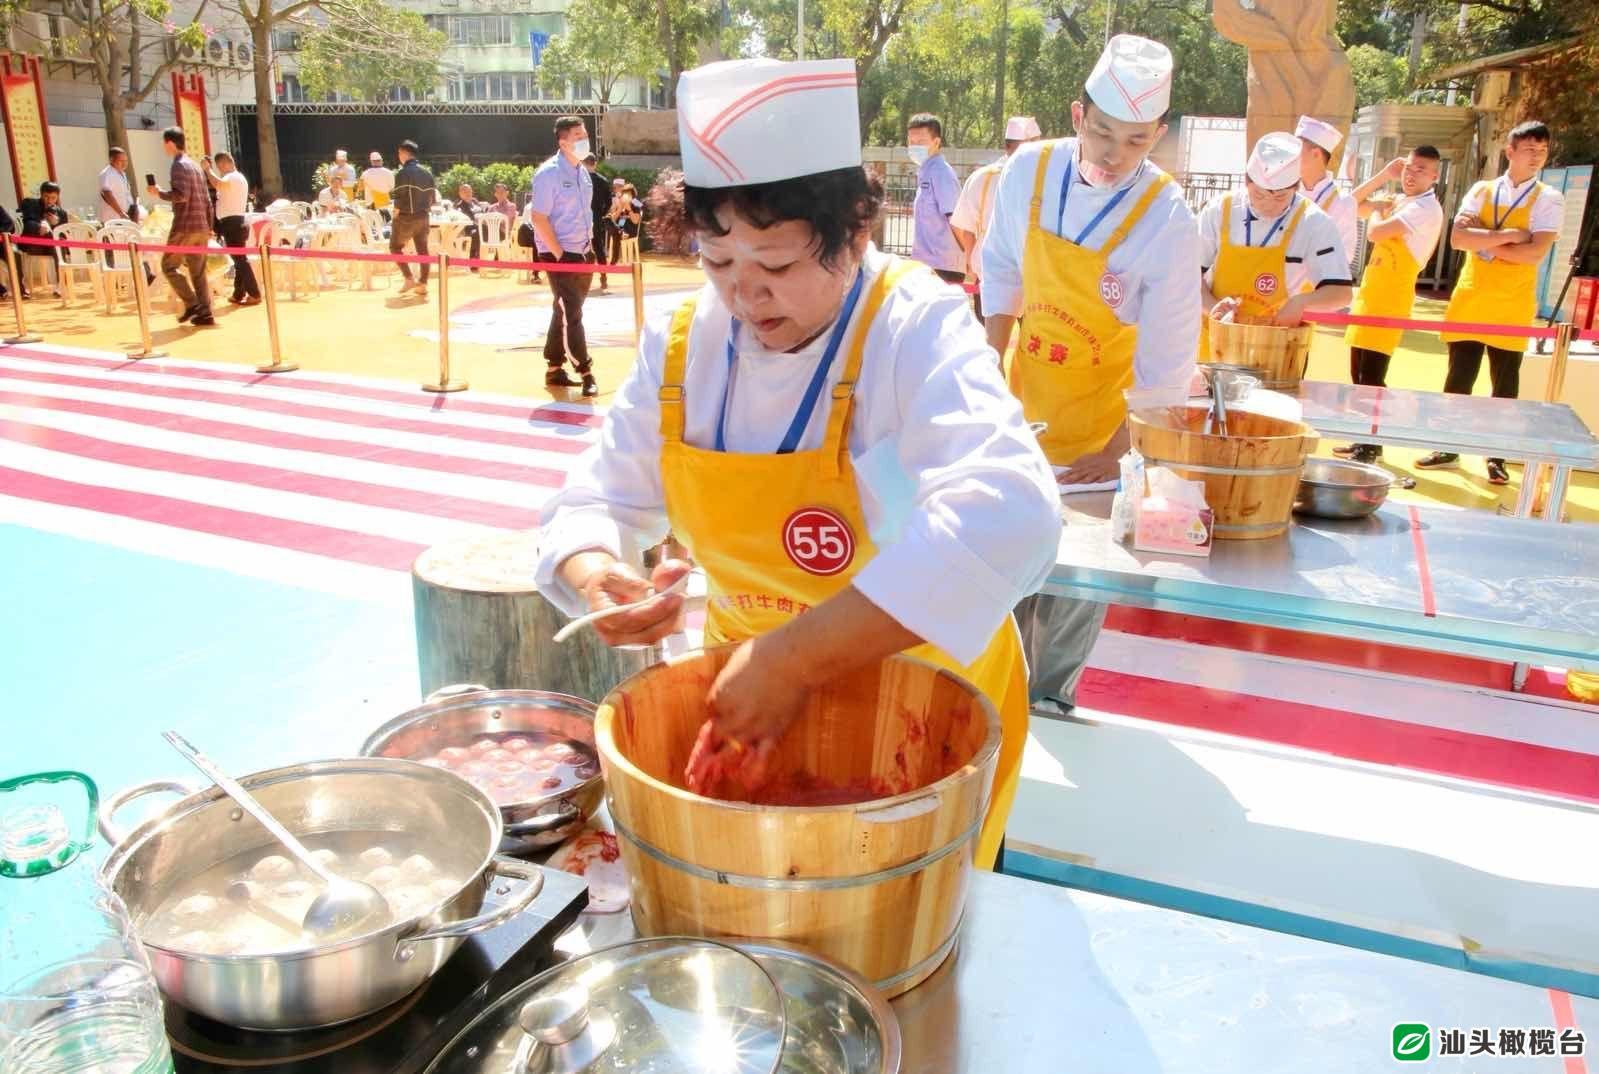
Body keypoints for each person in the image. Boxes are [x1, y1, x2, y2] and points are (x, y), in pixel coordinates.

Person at [533, 57, 1059, 871]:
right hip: (749, 699)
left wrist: (794, 658)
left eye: (775, 267)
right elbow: (594, 498)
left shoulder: (911, 326)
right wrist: (599, 575)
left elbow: (1009, 515)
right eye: (717, 264)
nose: (745, 297)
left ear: (854, 232)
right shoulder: (683, 346)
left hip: (921, 697)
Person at [982, 36, 1200, 715]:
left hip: (1103, 423)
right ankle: (1000, 692)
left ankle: (1052, 696)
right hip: (1018, 407)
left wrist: (1113, 451)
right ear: (1077, 116)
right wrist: (988, 368)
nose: (1111, 154)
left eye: (1133, 141)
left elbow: (1167, 356)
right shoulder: (1028, 171)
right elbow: (1001, 270)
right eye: (1101, 132)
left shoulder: (1167, 217)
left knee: (1076, 574)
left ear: (1156, 136)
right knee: (1003, 565)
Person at [1416, 120, 1564, 486]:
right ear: (1509, 151)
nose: (1536, 157)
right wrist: (1510, 237)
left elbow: (1534, 253)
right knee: (1458, 376)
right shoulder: (1482, 191)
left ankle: (1496, 454)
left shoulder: (1548, 198)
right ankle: (1447, 445)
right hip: (1471, 296)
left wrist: (1484, 242)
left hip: (1511, 303)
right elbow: (1458, 238)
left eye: (1542, 151)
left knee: (1504, 382)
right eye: (1529, 149)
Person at [1336, 146, 1443, 466]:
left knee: (1372, 376)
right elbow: (1351, 204)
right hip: (1371, 294)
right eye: (1408, 168)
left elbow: (1376, 232)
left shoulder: (1425, 208)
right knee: (1358, 372)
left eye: (1420, 170)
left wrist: (1381, 209)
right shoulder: (1398, 200)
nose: (1411, 175)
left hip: (1391, 299)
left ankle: (1373, 442)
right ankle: (1363, 439)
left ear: (1434, 176)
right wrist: (1383, 176)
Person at [1199, 132, 1352, 350]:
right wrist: (1213, 307)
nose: (1269, 205)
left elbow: (1341, 293)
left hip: (1277, 346)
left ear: (1296, 186)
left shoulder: (1314, 222)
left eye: (1280, 196)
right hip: (1215, 337)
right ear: (1246, 181)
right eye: (1259, 195)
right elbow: (1188, 275)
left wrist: (1301, 303)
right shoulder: (1219, 210)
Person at [530, 115, 598, 396]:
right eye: (578, 137)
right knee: (572, 312)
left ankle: (554, 368)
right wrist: (560, 254)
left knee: (564, 310)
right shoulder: (549, 173)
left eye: (585, 136)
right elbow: (538, 217)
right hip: (560, 254)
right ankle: (585, 370)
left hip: (583, 250)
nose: (584, 141)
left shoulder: (581, 171)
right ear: (563, 141)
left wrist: (589, 247)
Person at [951, 115, 1041, 322]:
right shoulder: (1041, 179)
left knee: (990, 341)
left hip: (990, 276)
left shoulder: (981, 177)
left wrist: (971, 260)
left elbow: (962, 226)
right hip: (1029, 277)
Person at [146, 126, 214, 326]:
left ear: (169, 143)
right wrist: (209, 226)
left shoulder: (178, 165)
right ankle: (205, 311)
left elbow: (181, 195)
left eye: (164, 144)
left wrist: (159, 193)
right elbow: (207, 201)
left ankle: (192, 303)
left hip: (184, 226)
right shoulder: (195, 167)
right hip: (201, 226)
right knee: (198, 272)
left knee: (168, 266)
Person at [1295, 115, 1358, 278]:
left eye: (1296, 149)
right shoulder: (1286, 192)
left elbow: (1343, 256)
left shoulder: (1343, 202)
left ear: (1316, 154)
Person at [907, 113, 964, 284]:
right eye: (911, 142)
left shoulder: (941, 173)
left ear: (936, 142)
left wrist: (968, 259)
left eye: (921, 142)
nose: (914, 147)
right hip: (926, 264)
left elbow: (956, 220)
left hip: (943, 266)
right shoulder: (925, 171)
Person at [203, 152, 261, 306]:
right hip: (235, 222)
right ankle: (238, 293)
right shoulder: (237, 177)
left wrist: (208, 170)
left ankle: (254, 293)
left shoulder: (232, 177)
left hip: (233, 223)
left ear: (224, 163)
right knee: (239, 259)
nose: (220, 170)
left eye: (219, 166)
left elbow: (218, 184)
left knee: (240, 259)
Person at [389, 139, 436, 298]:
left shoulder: (402, 173)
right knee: (423, 251)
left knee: (395, 247)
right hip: (424, 217)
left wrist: (395, 215)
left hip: (406, 217)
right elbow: (433, 199)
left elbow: (400, 198)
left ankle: (409, 278)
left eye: (399, 153)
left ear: (403, 153)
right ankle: (422, 284)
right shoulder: (427, 173)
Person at [17, 180, 69, 297]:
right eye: (46, 197)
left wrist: (55, 224)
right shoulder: (29, 203)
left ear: (57, 197)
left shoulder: (61, 212)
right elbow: (28, 222)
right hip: (32, 245)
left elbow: (64, 235)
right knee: (33, 226)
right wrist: (40, 225)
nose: (49, 201)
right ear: (41, 194)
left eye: (53, 198)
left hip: (51, 248)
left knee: (60, 245)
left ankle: (61, 284)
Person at [584, 153, 614, 294]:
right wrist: (601, 214)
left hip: (580, 219)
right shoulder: (603, 181)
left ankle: (581, 278)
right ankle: (603, 277)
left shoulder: (580, 179)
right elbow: (609, 202)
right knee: (599, 248)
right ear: (595, 163)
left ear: (583, 163)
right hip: (596, 218)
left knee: (580, 248)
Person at [98, 147, 138, 225]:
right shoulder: (107, 174)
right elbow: (107, 194)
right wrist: (121, 212)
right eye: (121, 161)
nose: (124, 163)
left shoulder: (122, 173)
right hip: (112, 218)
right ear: (112, 160)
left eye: (126, 161)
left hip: (124, 216)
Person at [454, 182, 486, 267]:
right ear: (460, 194)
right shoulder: (459, 206)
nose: (468, 193)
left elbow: (483, 213)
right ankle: (473, 258)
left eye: (469, 191)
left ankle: (496, 258)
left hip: (482, 227)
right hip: (468, 229)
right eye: (465, 191)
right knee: (477, 232)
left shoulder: (475, 202)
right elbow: (464, 221)